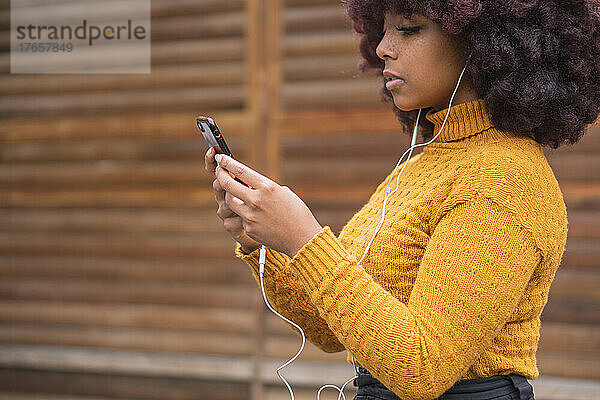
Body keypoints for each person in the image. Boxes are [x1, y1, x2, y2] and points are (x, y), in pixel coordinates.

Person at [204, 1, 600, 399]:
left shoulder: (504, 179)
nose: (382, 48)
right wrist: (262, 243)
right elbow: (329, 328)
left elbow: (421, 367)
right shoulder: (422, 165)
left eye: (408, 29)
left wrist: (305, 240)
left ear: (483, 43)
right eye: (383, 29)